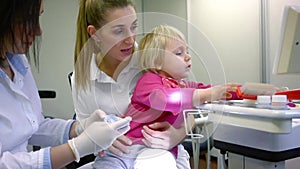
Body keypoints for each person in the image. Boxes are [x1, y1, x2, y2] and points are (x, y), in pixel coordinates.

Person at [0, 0, 132, 168]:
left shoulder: (16, 61)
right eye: (27, 20)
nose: (39, 31)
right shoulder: (82, 76)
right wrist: (76, 148)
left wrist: (79, 128)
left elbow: (34, 126)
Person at [92, 24, 240, 169]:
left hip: (156, 148)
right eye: (179, 53)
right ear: (156, 62)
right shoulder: (149, 81)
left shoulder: (186, 86)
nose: (188, 57)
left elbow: (213, 91)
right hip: (124, 148)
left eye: (187, 51)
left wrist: (238, 92)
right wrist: (205, 95)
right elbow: (163, 99)